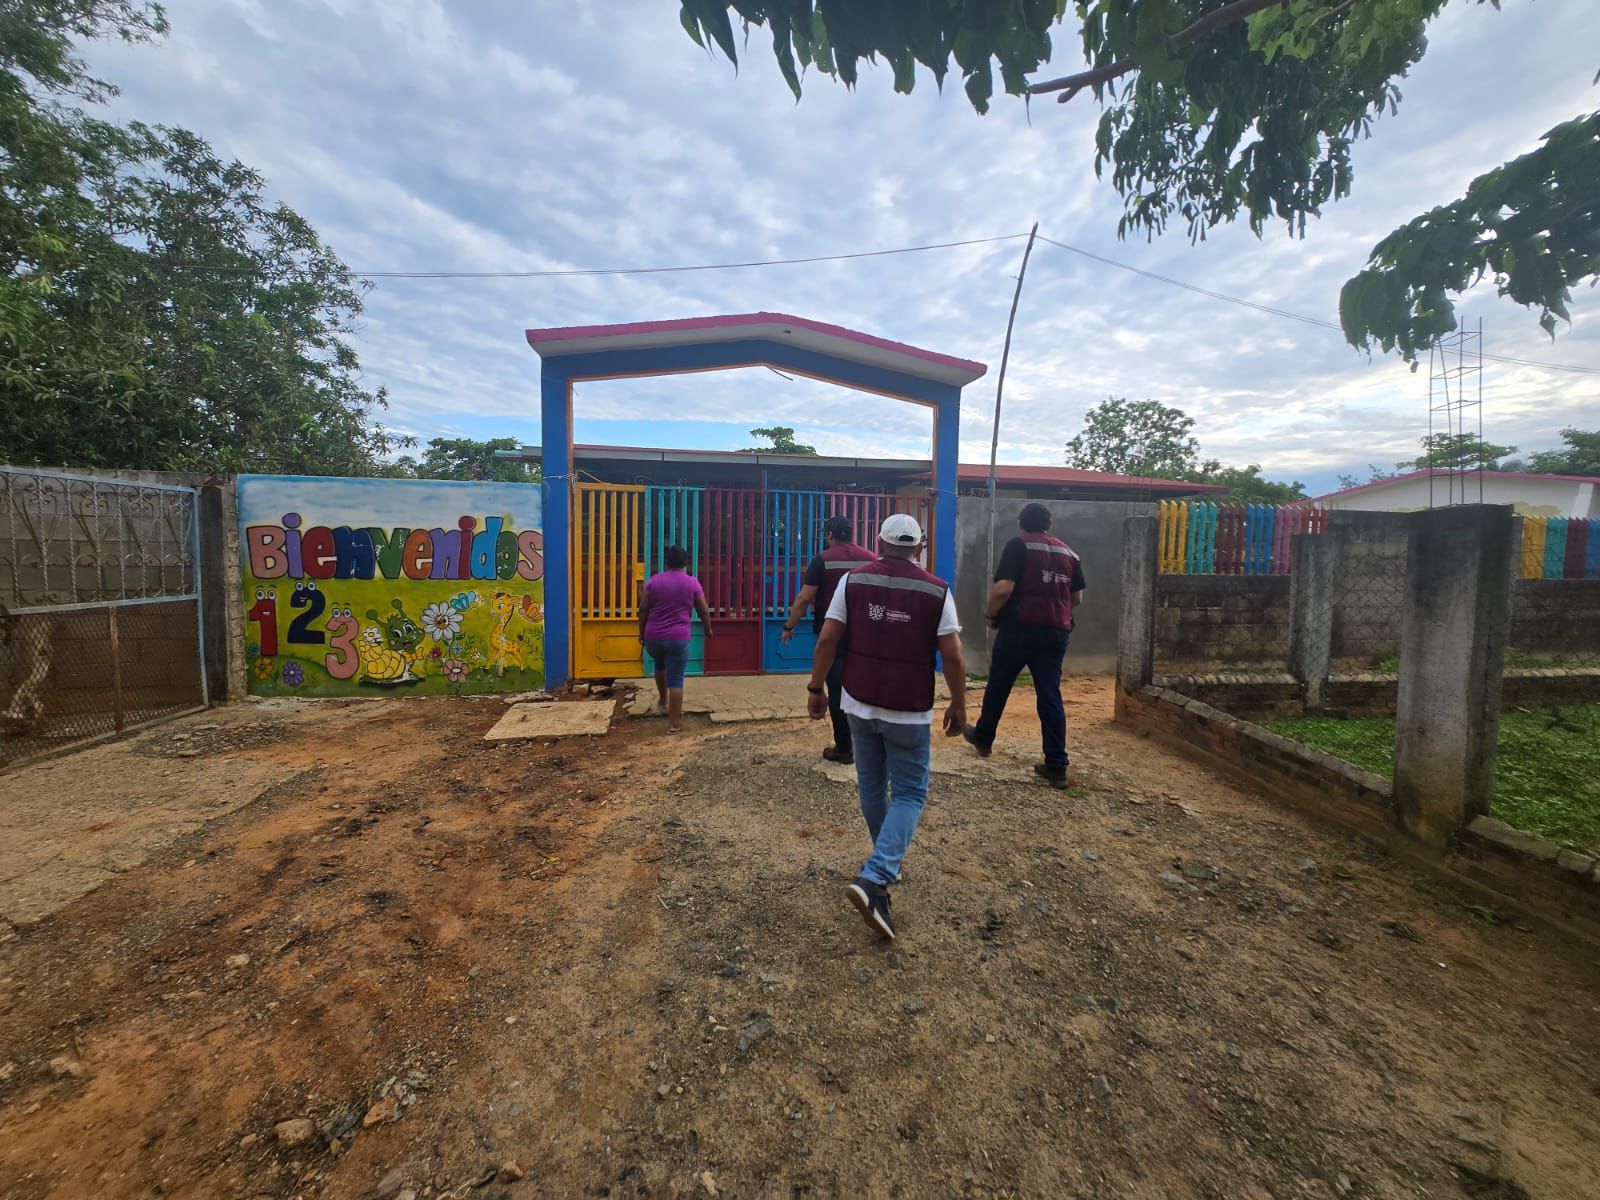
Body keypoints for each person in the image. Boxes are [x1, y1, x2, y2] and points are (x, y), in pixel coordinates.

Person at [807, 513, 965, 940]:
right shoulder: (936, 589)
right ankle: (877, 873)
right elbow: (952, 654)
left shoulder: (853, 581)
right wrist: (959, 703)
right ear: (920, 547)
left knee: (872, 786)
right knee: (910, 793)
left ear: (879, 543)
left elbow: (827, 638)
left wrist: (816, 688)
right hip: (907, 709)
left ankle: (882, 864)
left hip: (858, 702)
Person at [963, 502, 1084, 788]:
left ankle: (984, 738)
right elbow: (1076, 598)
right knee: (1049, 694)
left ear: (1021, 523)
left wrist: (991, 615)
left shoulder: (1019, 545)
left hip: (1019, 629)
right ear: (1049, 523)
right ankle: (1056, 763)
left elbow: (1003, 589)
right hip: (1056, 632)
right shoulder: (1070, 554)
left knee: (999, 684)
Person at [780, 514, 874, 764]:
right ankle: (867, 744)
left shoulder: (823, 560)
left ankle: (844, 748)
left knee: (837, 690)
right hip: (866, 634)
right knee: (865, 688)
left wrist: (789, 626)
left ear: (829, 535)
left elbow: (803, 599)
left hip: (833, 634)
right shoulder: (871, 558)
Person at [638, 546, 713, 733]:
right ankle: (674, 724)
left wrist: (641, 633)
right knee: (676, 680)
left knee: (660, 665)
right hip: (678, 638)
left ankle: (663, 700)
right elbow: (703, 610)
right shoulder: (692, 583)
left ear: (666, 562)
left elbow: (643, 609)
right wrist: (708, 629)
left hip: (654, 637)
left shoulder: (653, 581)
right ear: (685, 563)